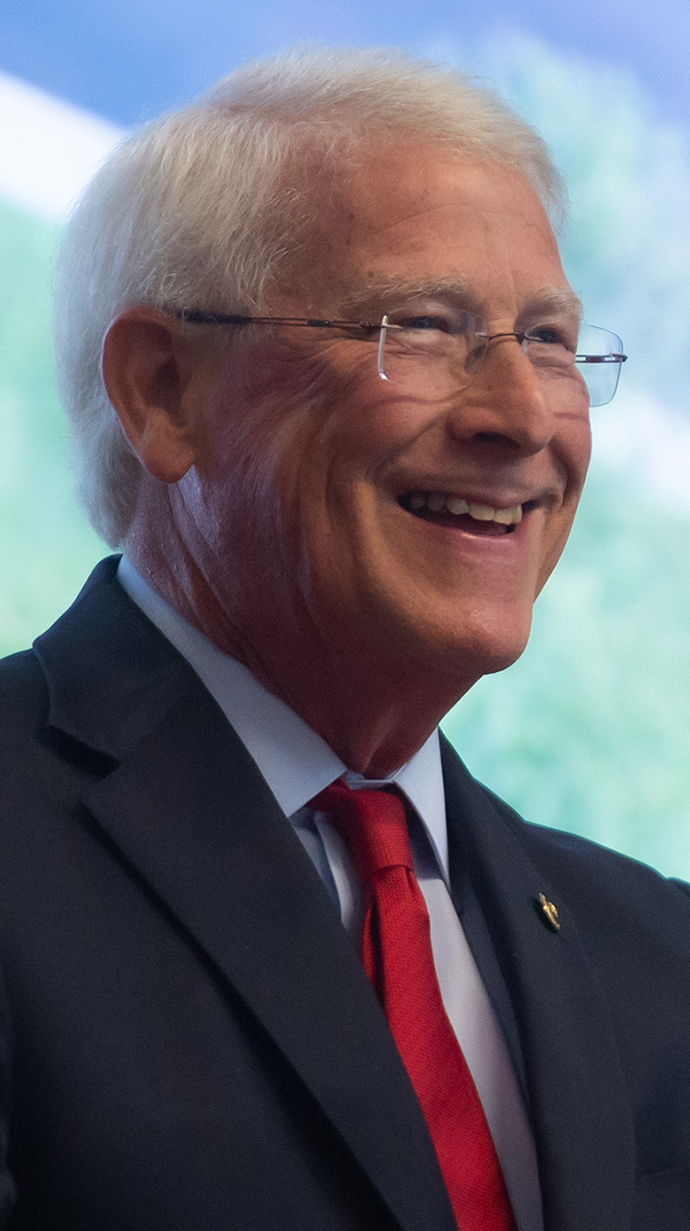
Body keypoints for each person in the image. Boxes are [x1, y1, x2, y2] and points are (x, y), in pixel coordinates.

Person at [0, 44, 688, 1231]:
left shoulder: (660, 963)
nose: (523, 416)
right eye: (423, 327)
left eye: (550, 340)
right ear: (165, 389)